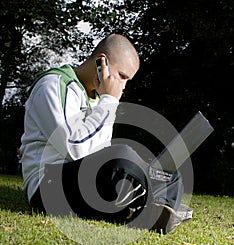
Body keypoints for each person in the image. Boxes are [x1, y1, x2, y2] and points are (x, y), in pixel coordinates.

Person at [20, 33, 186, 233]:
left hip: (83, 178)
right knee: (123, 157)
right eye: (122, 76)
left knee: (168, 171)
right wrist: (109, 101)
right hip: (48, 187)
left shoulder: (99, 99)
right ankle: (146, 206)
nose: (123, 86)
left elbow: (99, 150)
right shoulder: (54, 85)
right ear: (102, 62)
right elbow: (76, 149)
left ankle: (159, 209)